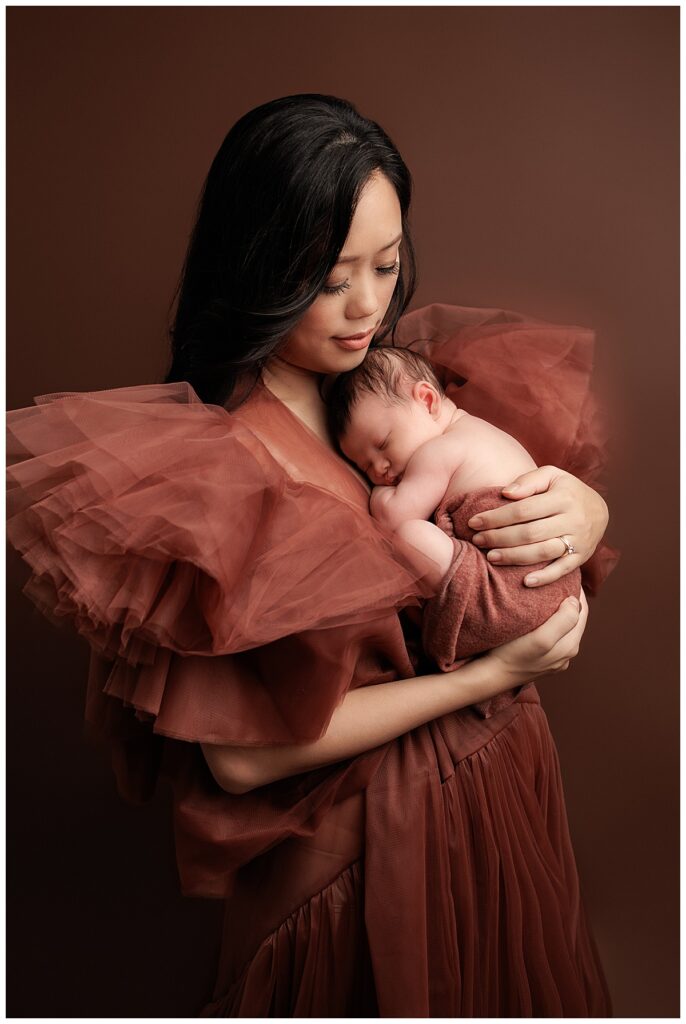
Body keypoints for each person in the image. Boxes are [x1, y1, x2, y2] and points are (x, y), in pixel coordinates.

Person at [6, 94, 617, 1016]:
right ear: (262, 269)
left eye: (387, 262)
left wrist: (584, 507)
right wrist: (490, 677)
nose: (368, 305)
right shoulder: (223, 465)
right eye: (333, 278)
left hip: (492, 803)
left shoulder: (385, 393)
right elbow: (239, 761)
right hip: (370, 866)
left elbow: (503, 515)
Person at [326, 345, 583, 683]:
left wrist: (381, 496)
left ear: (428, 401)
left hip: (508, 592)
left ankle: (455, 635)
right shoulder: (483, 432)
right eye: (363, 465)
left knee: (410, 536)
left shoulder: (439, 451)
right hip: (557, 588)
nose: (379, 469)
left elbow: (392, 518)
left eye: (383, 444)